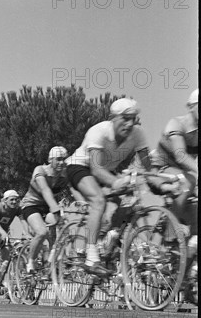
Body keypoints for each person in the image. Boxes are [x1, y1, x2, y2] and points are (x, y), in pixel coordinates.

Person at [66, 98, 175, 275]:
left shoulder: (138, 133)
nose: (130, 123)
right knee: (98, 201)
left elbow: (148, 168)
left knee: (128, 199)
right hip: (81, 167)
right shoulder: (99, 131)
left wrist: (163, 184)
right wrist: (116, 182)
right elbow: (96, 169)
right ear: (113, 118)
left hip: (105, 171)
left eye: (133, 118)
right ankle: (91, 256)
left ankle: (110, 238)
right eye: (125, 118)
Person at [151, 88, 198, 236]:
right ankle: (168, 229)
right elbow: (180, 155)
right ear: (191, 106)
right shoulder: (177, 124)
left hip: (180, 175)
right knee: (189, 180)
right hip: (158, 171)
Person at [21, 147, 71, 274]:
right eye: (58, 159)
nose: (62, 163)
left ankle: (54, 261)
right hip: (31, 205)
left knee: (62, 230)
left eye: (64, 159)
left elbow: (74, 188)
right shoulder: (40, 170)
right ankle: (31, 261)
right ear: (50, 159)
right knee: (42, 232)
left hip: (47, 207)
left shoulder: (64, 174)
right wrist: (56, 209)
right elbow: (45, 189)